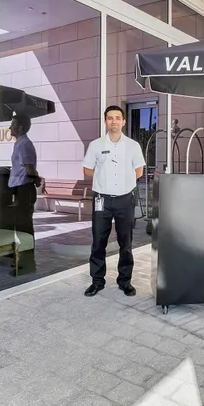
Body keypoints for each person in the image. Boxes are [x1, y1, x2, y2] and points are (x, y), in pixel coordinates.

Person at [81, 105, 145, 297]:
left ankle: (125, 281)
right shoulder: (96, 145)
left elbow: (139, 171)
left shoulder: (133, 146)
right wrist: (104, 177)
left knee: (126, 242)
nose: (114, 121)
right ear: (105, 121)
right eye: (110, 118)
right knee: (98, 241)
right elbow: (87, 169)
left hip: (125, 199)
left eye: (118, 118)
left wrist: (123, 183)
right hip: (102, 199)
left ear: (123, 121)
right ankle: (97, 281)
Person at [8, 114, 40, 274]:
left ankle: (26, 263)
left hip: (24, 189)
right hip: (21, 189)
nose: (10, 127)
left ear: (20, 127)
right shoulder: (20, 143)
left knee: (24, 228)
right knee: (21, 227)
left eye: (13, 124)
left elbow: (29, 169)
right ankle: (22, 261)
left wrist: (36, 178)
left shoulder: (24, 144)